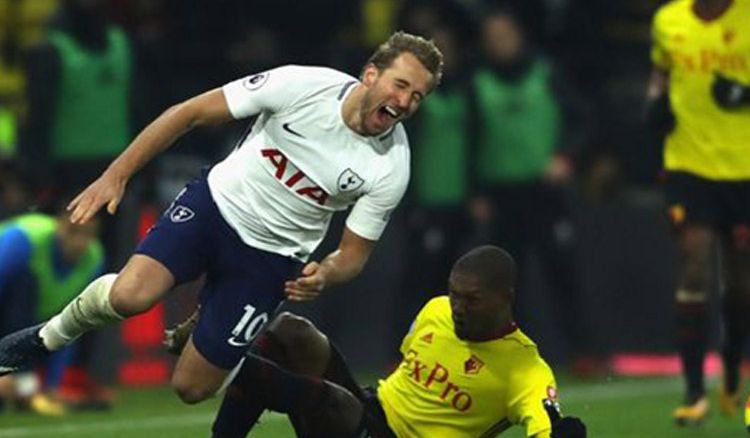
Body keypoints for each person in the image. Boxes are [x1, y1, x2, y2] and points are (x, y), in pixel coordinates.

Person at [0, 31, 443, 407]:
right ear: (371, 74)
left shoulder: (391, 165)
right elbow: (188, 114)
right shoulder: (303, 86)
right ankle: (45, 339)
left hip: (274, 257)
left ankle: (215, 323)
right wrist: (116, 176)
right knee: (131, 297)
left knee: (191, 389)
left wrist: (326, 273)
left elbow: (353, 254)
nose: (404, 101)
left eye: (417, 96)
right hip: (215, 207)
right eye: (400, 85)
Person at [208, 245, 586, 437]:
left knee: (334, 402)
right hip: (372, 414)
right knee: (291, 330)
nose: (458, 307)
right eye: (454, 294)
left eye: (472, 299)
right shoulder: (436, 310)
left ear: (506, 297)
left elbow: (549, 425)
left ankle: (215, 352)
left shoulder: (525, 370)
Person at [468, 6, 598, 373]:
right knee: (505, 282)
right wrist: (475, 191)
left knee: (562, 272)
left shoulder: (546, 72)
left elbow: (583, 118)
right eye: (492, 38)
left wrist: (566, 156)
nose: (499, 44)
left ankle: (582, 351)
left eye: (504, 36)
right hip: (500, 194)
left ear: (519, 36)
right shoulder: (477, 81)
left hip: (544, 192)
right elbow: (471, 139)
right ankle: (514, 355)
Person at [647, 0, 750, 426]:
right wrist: (653, 102)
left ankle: (730, 372)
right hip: (688, 165)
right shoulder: (668, 20)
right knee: (694, 265)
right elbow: (661, 73)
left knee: (741, 282)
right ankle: (693, 392)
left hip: (744, 167)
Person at [0, 208, 103, 415]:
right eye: (73, 232)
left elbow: (69, 325)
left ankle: (25, 388)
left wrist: (52, 386)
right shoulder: (22, 241)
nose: (79, 243)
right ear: (59, 226)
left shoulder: (93, 259)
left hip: (29, 321)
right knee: (25, 284)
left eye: (87, 235)